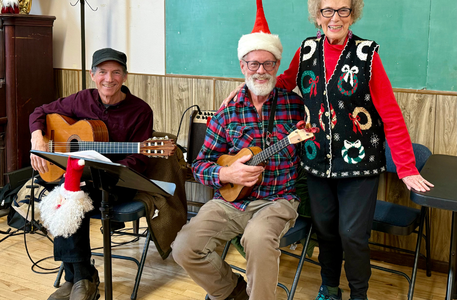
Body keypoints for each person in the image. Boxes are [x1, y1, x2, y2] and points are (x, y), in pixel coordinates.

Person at [223, 1, 433, 299]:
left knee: (353, 236)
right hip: (316, 161)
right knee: (327, 232)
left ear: (353, 13)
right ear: (317, 15)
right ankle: (329, 288)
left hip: (359, 163)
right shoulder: (307, 49)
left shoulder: (367, 54)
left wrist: (406, 166)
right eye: (327, 11)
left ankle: (359, 294)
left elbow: (390, 112)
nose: (335, 18)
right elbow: (282, 83)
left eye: (343, 10)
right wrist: (245, 88)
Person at [171, 2, 305, 300]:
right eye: (253, 64)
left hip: (277, 200)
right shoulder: (226, 113)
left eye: (268, 64)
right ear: (242, 66)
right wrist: (226, 172)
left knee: (257, 240)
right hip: (229, 203)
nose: (260, 71)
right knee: (184, 246)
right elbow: (199, 165)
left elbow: (317, 140)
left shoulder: (295, 107)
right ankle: (232, 290)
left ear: (277, 66)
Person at [29, 48, 153, 300]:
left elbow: (140, 158)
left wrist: (106, 171)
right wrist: (37, 138)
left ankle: (78, 278)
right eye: (103, 72)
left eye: (116, 72)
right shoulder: (80, 100)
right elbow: (39, 112)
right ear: (92, 75)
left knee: (72, 197)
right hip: (78, 181)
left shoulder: (140, 111)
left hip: (116, 183)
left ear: (125, 77)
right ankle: (80, 278)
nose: (109, 79)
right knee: (67, 193)